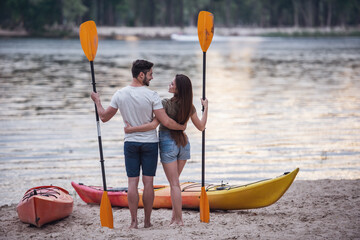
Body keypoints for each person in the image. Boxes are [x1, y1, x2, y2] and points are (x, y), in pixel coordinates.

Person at [90, 60, 185, 229]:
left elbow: (104, 117)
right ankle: (147, 222)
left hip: (131, 144)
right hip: (149, 143)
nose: (152, 77)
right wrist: (182, 127)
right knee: (148, 183)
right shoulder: (152, 95)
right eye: (150, 74)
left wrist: (97, 101)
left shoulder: (120, 94)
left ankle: (133, 222)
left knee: (132, 183)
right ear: (141, 75)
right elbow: (165, 121)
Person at [124, 74, 208, 226]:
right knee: (175, 183)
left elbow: (152, 125)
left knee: (174, 184)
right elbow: (201, 127)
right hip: (183, 144)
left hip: (168, 143)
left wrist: (131, 129)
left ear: (178, 88)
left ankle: (179, 220)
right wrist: (206, 108)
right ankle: (174, 219)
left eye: (172, 83)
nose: (169, 85)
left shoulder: (164, 104)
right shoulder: (189, 106)